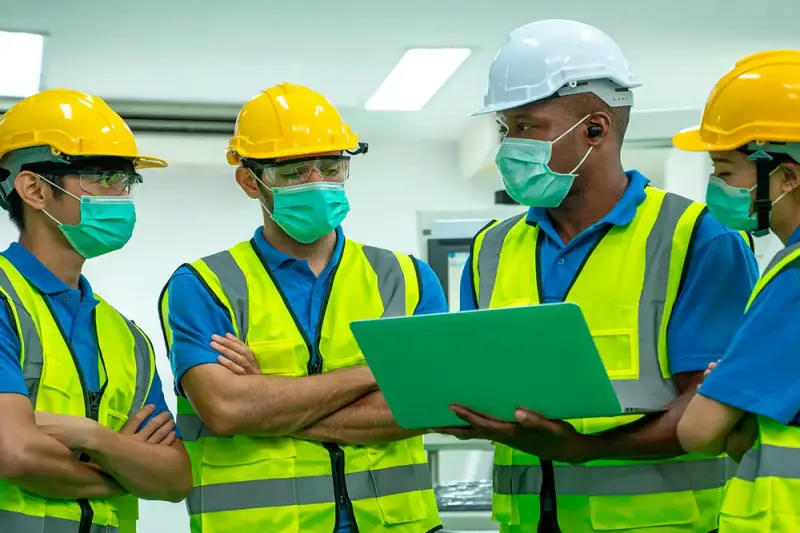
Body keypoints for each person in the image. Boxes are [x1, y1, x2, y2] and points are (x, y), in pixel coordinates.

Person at [440, 20, 760, 533]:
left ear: (596, 128)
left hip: (658, 524)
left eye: (526, 126)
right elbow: (485, 384)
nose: (508, 147)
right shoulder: (490, 250)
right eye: (505, 128)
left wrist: (582, 450)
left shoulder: (698, 237)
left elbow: (712, 407)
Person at [159, 82, 446, 533]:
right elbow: (227, 411)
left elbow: (425, 405)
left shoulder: (407, 279)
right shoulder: (202, 286)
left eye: (331, 166)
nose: (317, 183)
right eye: (294, 172)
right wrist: (372, 372)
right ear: (249, 181)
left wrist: (268, 399)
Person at [0, 89, 192, 533]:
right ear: (33, 189)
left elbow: (174, 478)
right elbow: (16, 452)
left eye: (127, 182)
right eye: (103, 177)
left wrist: (93, 437)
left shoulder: (127, 336)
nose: (120, 195)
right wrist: (124, 472)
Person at [676, 50, 800, 532]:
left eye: (726, 172)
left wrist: (722, 395)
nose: (715, 185)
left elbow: (699, 432)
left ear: (787, 176)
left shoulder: (792, 279)